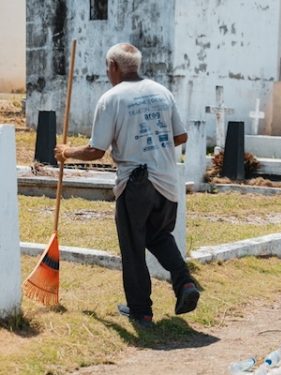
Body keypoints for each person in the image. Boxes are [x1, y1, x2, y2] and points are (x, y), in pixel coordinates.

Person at [54, 43, 199, 328]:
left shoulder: (112, 99)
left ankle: (141, 311)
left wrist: (67, 152)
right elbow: (181, 136)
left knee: (133, 247)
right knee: (158, 236)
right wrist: (151, 147)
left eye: (108, 67)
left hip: (136, 184)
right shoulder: (162, 92)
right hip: (168, 181)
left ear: (114, 67)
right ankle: (184, 284)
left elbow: (97, 151)